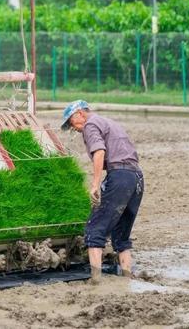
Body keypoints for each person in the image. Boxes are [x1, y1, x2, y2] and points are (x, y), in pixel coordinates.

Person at [61, 100, 145, 283]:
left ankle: (96, 280)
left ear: (79, 114)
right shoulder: (108, 122)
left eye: (71, 123)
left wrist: (95, 184)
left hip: (120, 176)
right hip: (136, 177)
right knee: (121, 234)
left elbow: (99, 152)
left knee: (94, 229)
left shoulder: (90, 125)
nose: (73, 128)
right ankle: (127, 277)